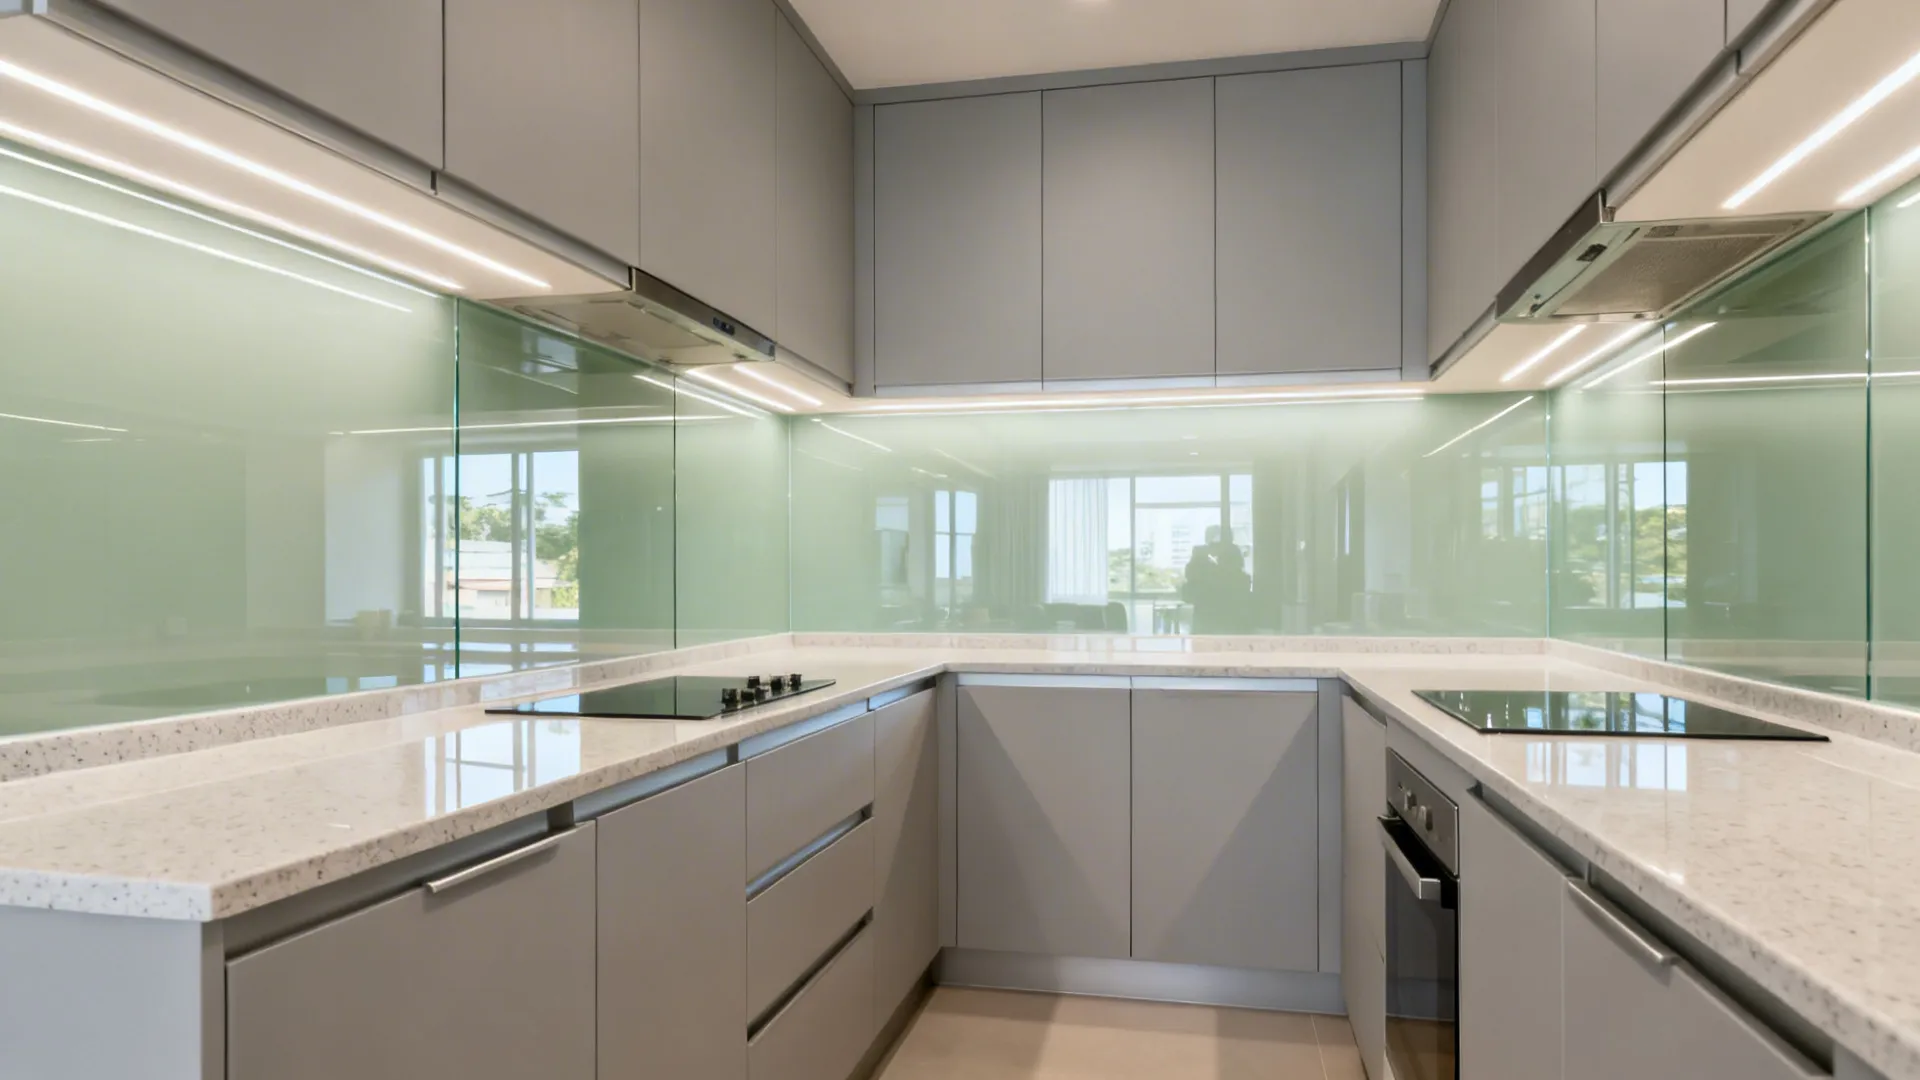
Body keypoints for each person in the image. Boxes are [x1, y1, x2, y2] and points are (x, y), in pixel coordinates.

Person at [1182, 526, 1252, 633]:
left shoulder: (1209, 577)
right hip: (1233, 629)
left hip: (1208, 628)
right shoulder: (1241, 578)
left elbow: (1188, 593)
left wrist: (1198, 559)